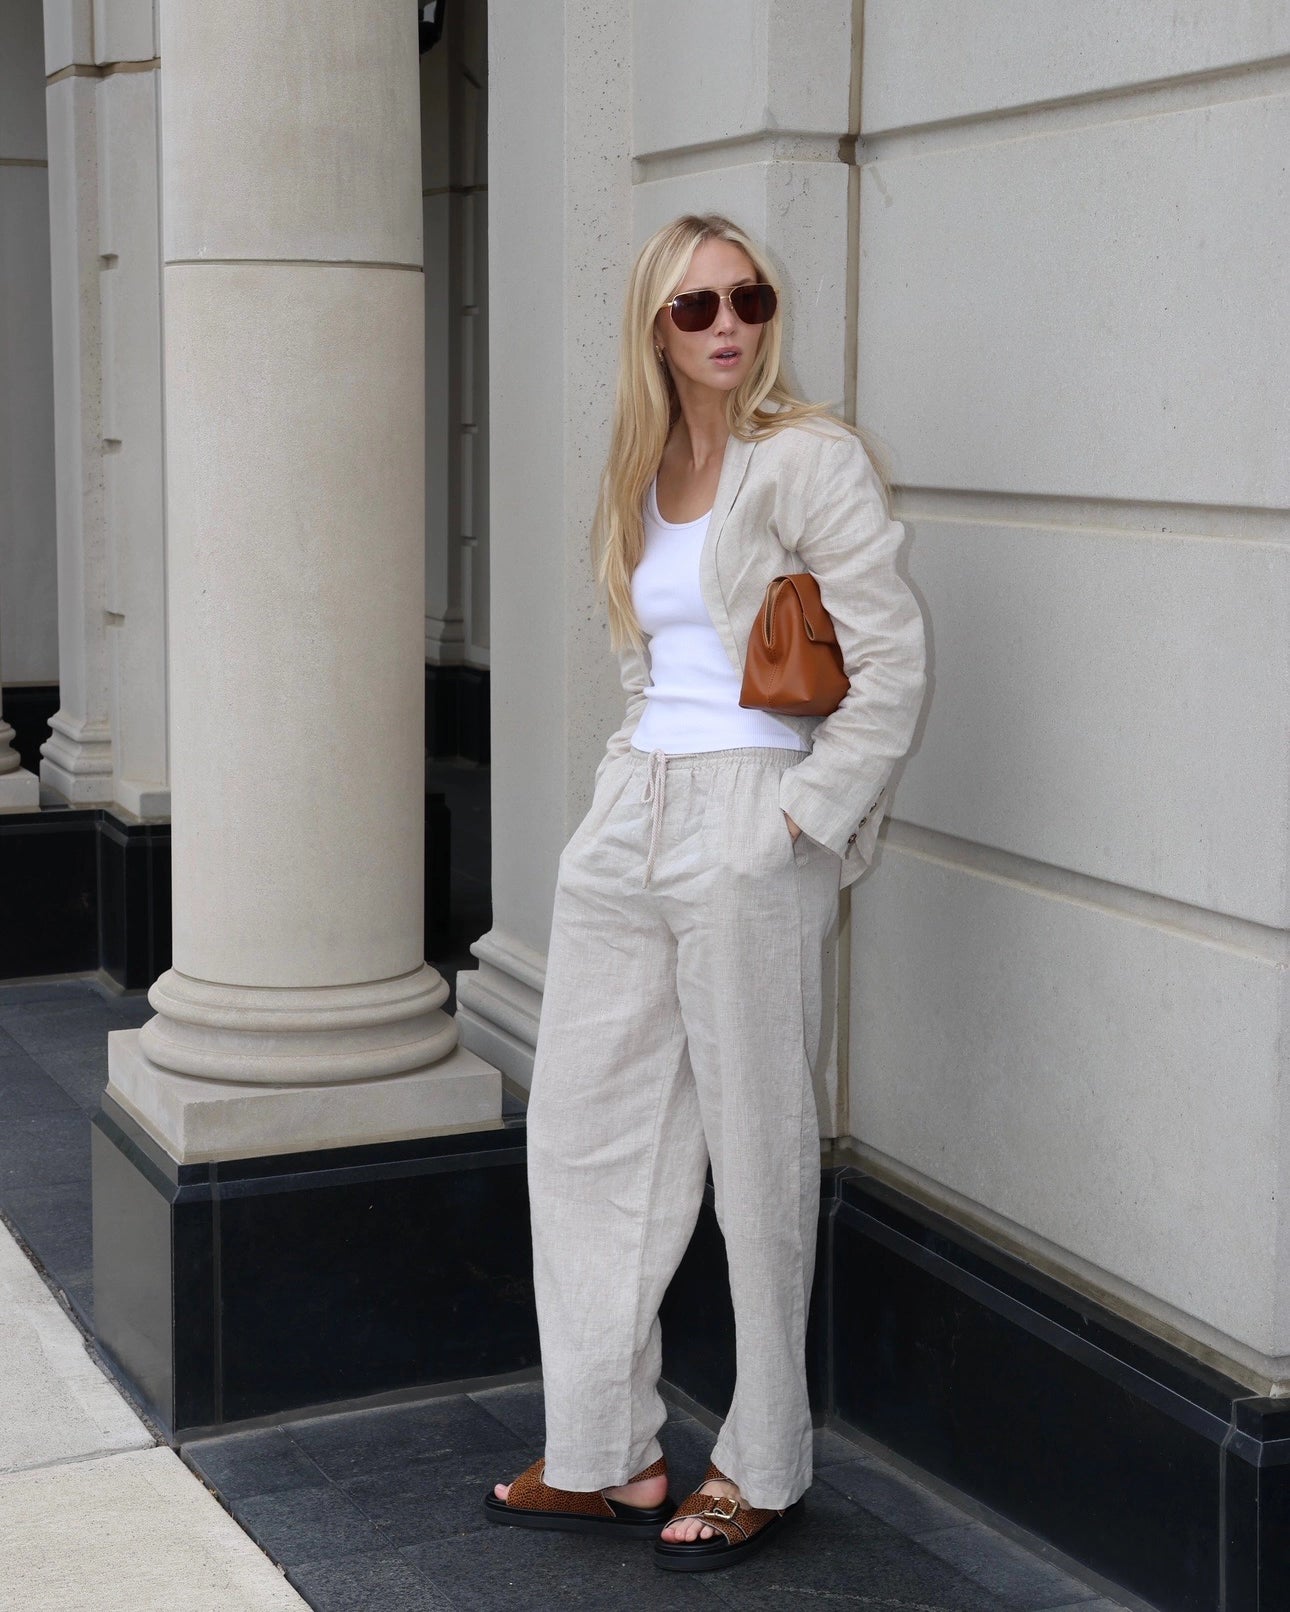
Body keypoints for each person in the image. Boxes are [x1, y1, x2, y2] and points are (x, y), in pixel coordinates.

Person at [483, 213, 926, 1571]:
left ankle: (765, 1462)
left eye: (747, 298)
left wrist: (792, 818)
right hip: (633, 816)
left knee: (756, 1149)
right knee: (581, 1133)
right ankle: (605, 1449)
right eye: (695, 308)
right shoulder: (641, 468)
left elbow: (891, 663)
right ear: (654, 330)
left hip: (750, 818)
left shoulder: (807, 460)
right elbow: (644, 664)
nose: (727, 323)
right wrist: (623, 794)